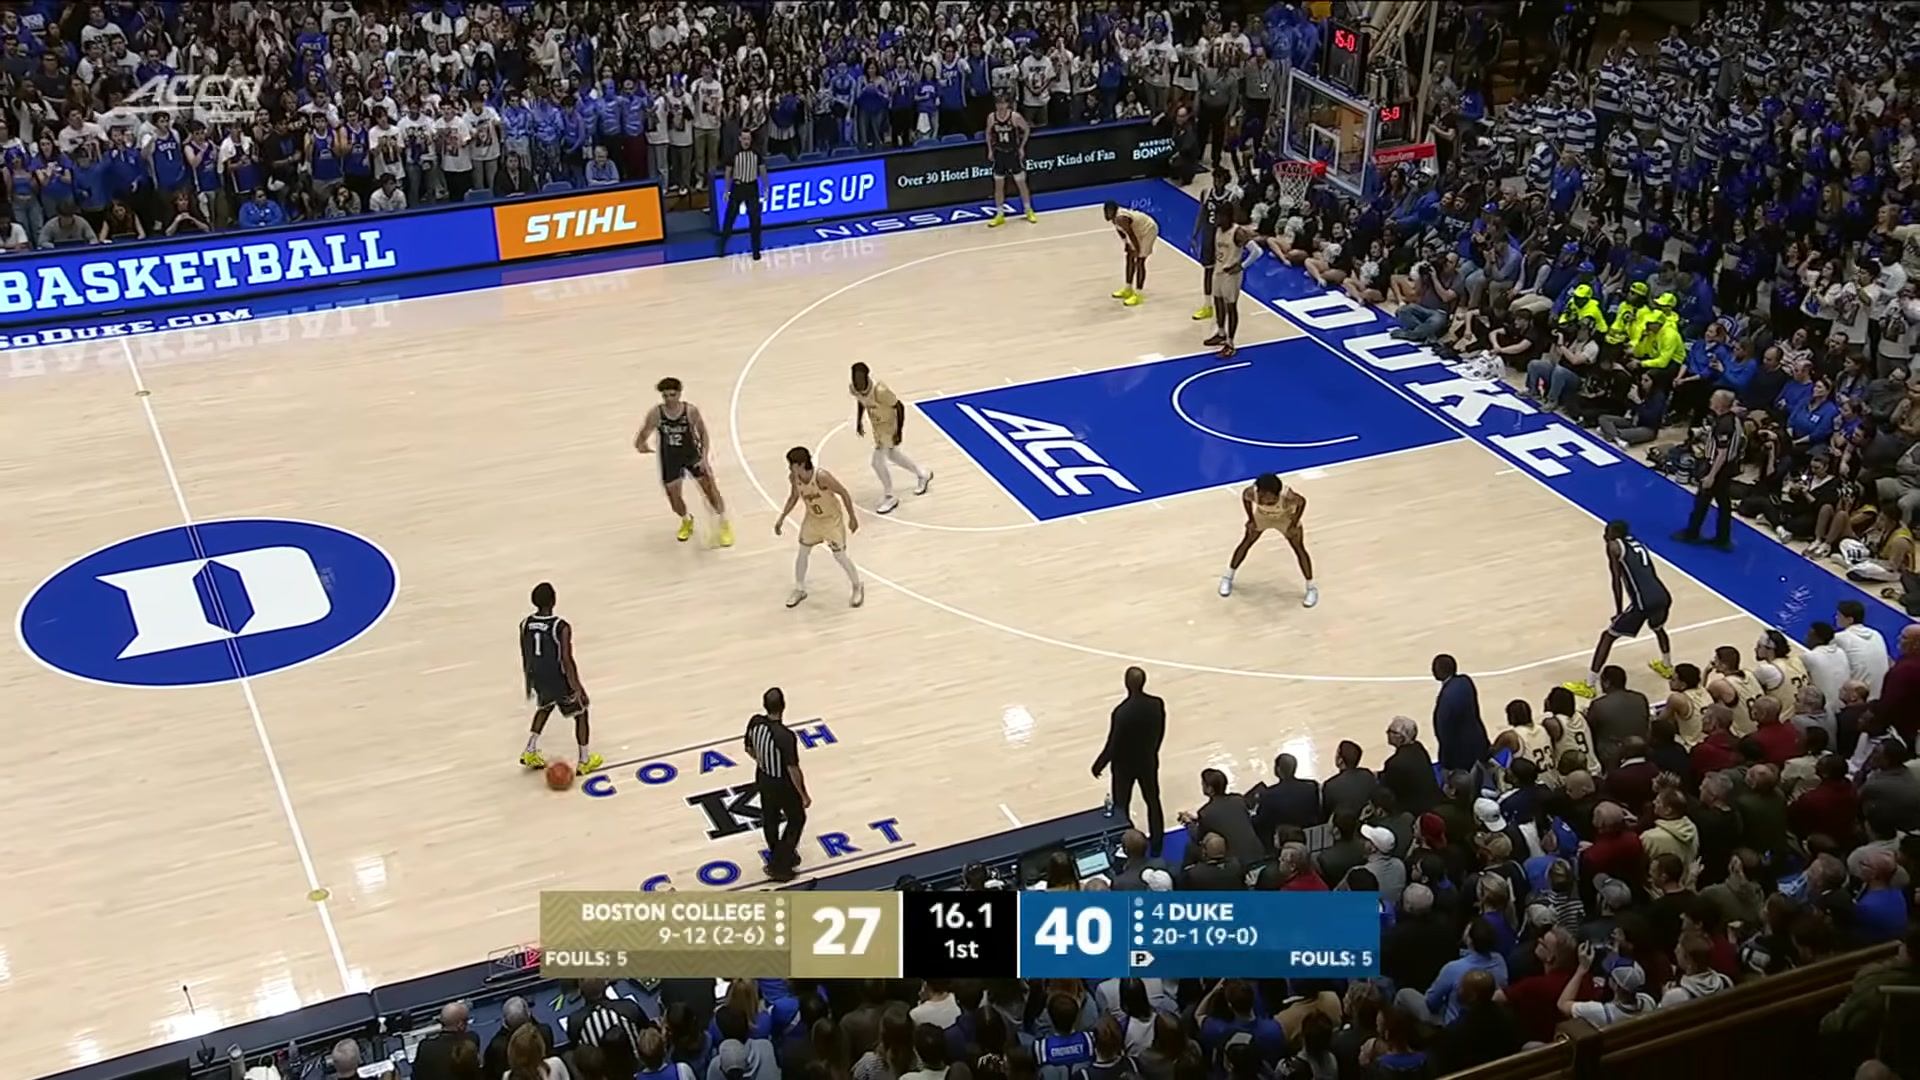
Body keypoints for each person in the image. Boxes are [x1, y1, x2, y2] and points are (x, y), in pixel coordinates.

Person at [1565, 520, 1675, 699]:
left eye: (1607, 532)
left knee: (1607, 636)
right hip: (1662, 595)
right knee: (1658, 628)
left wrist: (1618, 611)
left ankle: (1590, 685)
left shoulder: (1614, 546)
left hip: (1644, 601)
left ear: (1615, 534)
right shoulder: (1637, 543)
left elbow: (1616, 579)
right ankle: (1667, 666)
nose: (1604, 535)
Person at [634, 377, 733, 547]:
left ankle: (723, 523)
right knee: (674, 499)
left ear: (679, 394)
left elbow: (703, 434)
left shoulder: (690, 411)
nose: (669, 399)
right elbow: (644, 432)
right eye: (665, 396)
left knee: (711, 491)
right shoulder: (656, 413)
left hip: (692, 455)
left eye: (672, 395)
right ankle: (687, 520)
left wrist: (704, 458)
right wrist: (640, 444)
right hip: (670, 458)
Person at [518, 582, 601, 776]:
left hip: (538, 675)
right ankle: (584, 761)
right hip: (558, 677)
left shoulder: (525, 624)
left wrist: (529, 680)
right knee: (581, 712)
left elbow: (526, 653)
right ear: (553, 600)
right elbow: (566, 659)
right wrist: (577, 687)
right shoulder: (560, 626)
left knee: (545, 707)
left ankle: (530, 750)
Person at [1091, 666, 1167, 856]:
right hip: (1147, 761)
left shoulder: (1121, 712)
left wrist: (1100, 764)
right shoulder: (1156, 704)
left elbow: (1114, 743)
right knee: (1153, 801)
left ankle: (1124, 846)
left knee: (1121, 806)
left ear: (1126, 683)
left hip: (1124, 766)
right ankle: (1157, 844)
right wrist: (1153, 751)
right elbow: (1160, 731)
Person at [776, 446, 864, 609]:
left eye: (791, 464)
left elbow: (844, 493)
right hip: (813, 519)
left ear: (801, 464)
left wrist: (852, 517)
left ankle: (857, 586)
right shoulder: (794, 478)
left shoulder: (822, 477)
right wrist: (782, 518)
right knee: (803, 551)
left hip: (831, 520)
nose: (789, 467)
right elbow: (793, 497)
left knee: (839, 555)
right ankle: (799, 589)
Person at [1217, 472, 1318, 607]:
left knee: (1299, 550)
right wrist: (1251, 519)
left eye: (1268, 496)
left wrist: (1294, 524)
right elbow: (1245, 498)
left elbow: (1302, 502)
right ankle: (1228, 577)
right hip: (1262, 516)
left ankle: (1311, 588)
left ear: (1277, 493)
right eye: (1262, 494)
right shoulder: (1252, 493)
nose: (1264, 498)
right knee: (1246, 543)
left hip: (1284, 517)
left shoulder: (1288, 496)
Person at [745, 687, 811, 881]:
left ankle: (778, 853)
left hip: (762, 776)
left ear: (764, 705)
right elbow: (793, 769)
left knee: (770, 818)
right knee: (797, 818)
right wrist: (804, 795)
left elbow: (749, 749)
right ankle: (780, 863)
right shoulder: (786, 736)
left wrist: (762, 760)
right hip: (781, 783)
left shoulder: (755, 722)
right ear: (783, 706)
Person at [849, 362, 932, 514]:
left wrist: (898, 431)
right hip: (877, 425)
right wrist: (859, 421)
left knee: (877, 462)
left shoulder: (880, 391)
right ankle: (922, 474)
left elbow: (900, 407)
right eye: (854, 378)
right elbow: (861, 401)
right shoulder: (854, 388)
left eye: (859, 378)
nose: (856, 382)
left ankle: (890, 496)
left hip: (889, 425)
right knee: (893, 455)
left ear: (866, 377)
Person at [1675, 389, 1742, 550]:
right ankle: (1722, 538)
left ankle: (1693, 533)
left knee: (1703, 500)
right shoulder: (1730, 418)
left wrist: (1711, 475)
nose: (1710, 399)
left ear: (1720, 404)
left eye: (1714, 398)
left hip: (1718, 468)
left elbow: (1722, 453)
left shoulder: (1724, 424)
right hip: (1726, 467)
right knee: (1722, 503)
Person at [1203, 206, 1260, 358]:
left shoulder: (1238, 232)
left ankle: (1230, 343)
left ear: (1227, 217)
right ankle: (1221, 333)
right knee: (1218, 302)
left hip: (1231, 275)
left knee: (1231, 307)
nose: (1217, 219)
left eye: (1219, 216)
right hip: (1219, 270)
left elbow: (1257, 251)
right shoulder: (1218, 230)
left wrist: (1242, 265)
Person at [984, 93, 1035, 228]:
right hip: (999, 153)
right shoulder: (992, 117)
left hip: (1013, 153)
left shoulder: (1014, 117)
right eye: (998, 104)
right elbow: (988, 133)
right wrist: (990, 150)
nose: (1001, 106)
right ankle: (999, 214)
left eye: (1003, 103)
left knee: (1021, 183)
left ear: (1008, 104)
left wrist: (1022, 147)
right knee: (998, 185)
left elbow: (1026, 130)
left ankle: (1028, 210)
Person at [1191, 166, 1236, 321]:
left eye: (1220, 179)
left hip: (1224, 238)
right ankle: (1207, 305)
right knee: (1208, 270)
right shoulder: (1206, 193)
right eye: (1215, 178)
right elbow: (1201, 214)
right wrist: (1195, 234)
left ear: (1226, 181)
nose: (1217, 182)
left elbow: (1235, 219)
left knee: (1224, 272)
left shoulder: (1232, 197)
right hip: (1209, 235)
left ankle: (1225, 304)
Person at [718, 129, 766, 259]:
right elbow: (728, 172)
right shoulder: (733, 154)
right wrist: (726, 190)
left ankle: (756, 250)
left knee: (755, 221)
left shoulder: (756, 154)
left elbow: (762, 170)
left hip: (752, 188)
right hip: (738, 187)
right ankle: (722, 246)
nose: (746, 142)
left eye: (748, 139)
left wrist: (766, 186)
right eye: (744, 139)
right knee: (730, 219)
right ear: (740, 139)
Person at [1104, 200, 1157, 306]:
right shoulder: (1114, 219)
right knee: (1129, 257)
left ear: (1114, 210)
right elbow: (1121, 232)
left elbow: (1131, 234)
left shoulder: (1121, 218)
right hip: (1137, 230)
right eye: (1106, 211)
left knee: (1140, 261)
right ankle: (1128, 288)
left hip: (1148, 230)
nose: (1107, 213)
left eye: (1109, 211)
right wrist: (1126, 244)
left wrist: (1136, 249)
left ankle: (1139, 295)